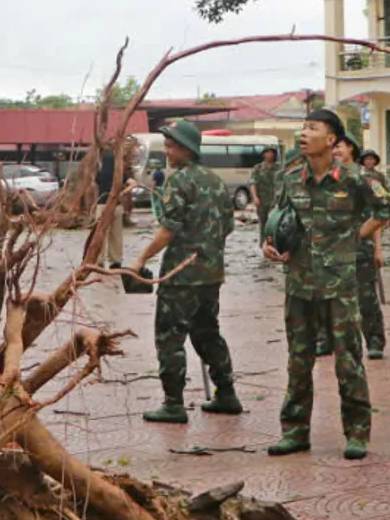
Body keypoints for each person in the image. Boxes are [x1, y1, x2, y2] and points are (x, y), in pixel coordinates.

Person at [262, 109, 390, 459]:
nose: (303, 133)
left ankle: (357, 433)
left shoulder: (355, 178)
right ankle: (294, 431)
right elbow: (277, 218)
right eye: (302, 127)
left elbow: (387, 209)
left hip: (340, 286)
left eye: (312, 128)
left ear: (332, 139)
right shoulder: (290, 177)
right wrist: (269, 244)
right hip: (299, 285)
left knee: (348, 361)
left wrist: (355, 237)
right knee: (298, 360)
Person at [131, 120, 242, 423]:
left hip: (180, 276)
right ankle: (227, 393)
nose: (167, 151)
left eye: (171, 146)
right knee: (208, 333)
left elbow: (167, 231)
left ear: (186, 149)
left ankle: (173, 404)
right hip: (211, 274)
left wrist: (139, 260)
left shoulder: (179, 182)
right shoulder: (217, 181)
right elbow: (228, 227)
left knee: (170, 336)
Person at [332, 135, 390, 359]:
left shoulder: (365, 179)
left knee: (366, 297)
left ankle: (375, 340)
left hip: (361, 249)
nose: (335, 151)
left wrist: (378, 248)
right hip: (334, 253)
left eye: (339, 146)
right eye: (333, 148)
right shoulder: (330, 178)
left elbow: (381, 215)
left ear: (350, 148)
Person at [96, 140, 128, 268]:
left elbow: (96, 181)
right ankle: (116, 261)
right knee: (116, 235)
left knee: (100, 235)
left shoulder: (100, 171)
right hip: (117, 205)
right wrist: (122, 193)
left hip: (102, 205)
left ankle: (99, 260)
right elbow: (132, 182)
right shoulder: (119, 171)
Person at [250, 146, 284, 241]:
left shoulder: (279, 168)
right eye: (267, 152)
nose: (270, 154)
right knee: (263, 223)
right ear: (263, 154)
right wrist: (255, 197)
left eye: (271, 152)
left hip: (276, 200)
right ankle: (263, 242)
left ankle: (274, 242)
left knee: (274, 222)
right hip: (262, 200)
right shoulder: (258, 168)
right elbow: (253, 183)